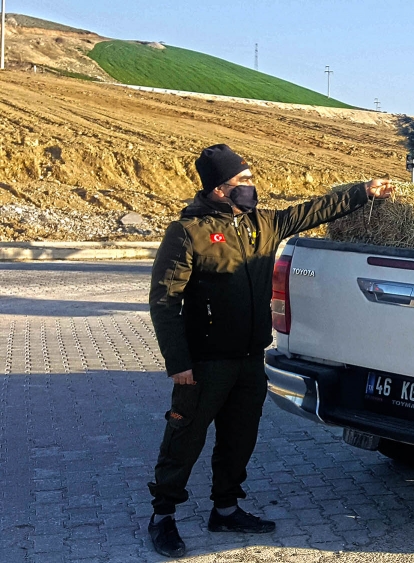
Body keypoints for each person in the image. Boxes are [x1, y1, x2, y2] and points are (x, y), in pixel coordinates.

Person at [146, 144, 394, 558]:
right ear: (219, 189)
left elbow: (313, 211)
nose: (251, 186)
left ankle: (225, 509)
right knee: (185, 437)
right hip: (205, 361)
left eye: (249, 178)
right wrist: (179, 363)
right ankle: (163, 515)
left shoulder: (262, 224)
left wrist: (362, 192)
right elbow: (164, 300)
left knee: (239, 437)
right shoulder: (189, 232)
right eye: (242, 181)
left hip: (248, 358)